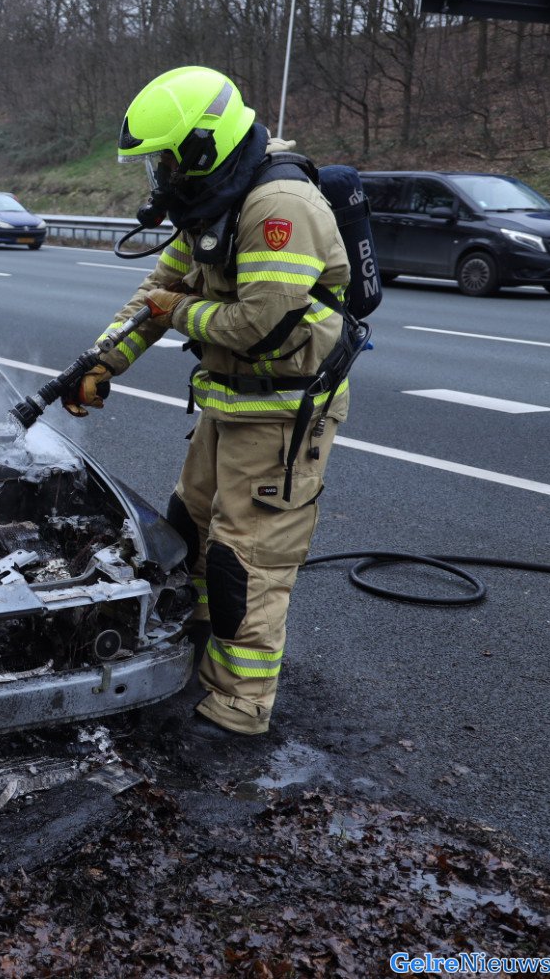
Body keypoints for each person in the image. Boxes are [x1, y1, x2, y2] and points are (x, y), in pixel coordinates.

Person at [65, 67, 351, 740]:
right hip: (230, 403)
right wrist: (101, 361)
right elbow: (156, 291)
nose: (156, 177)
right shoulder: (212, 197)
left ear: (200, 148)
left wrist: (178, 310)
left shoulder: (278, 208)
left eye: (161, 160)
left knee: (242, 566)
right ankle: (194, 657)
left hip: (283, 412)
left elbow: (261, 326)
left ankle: (236, 711)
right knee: (187, 533)